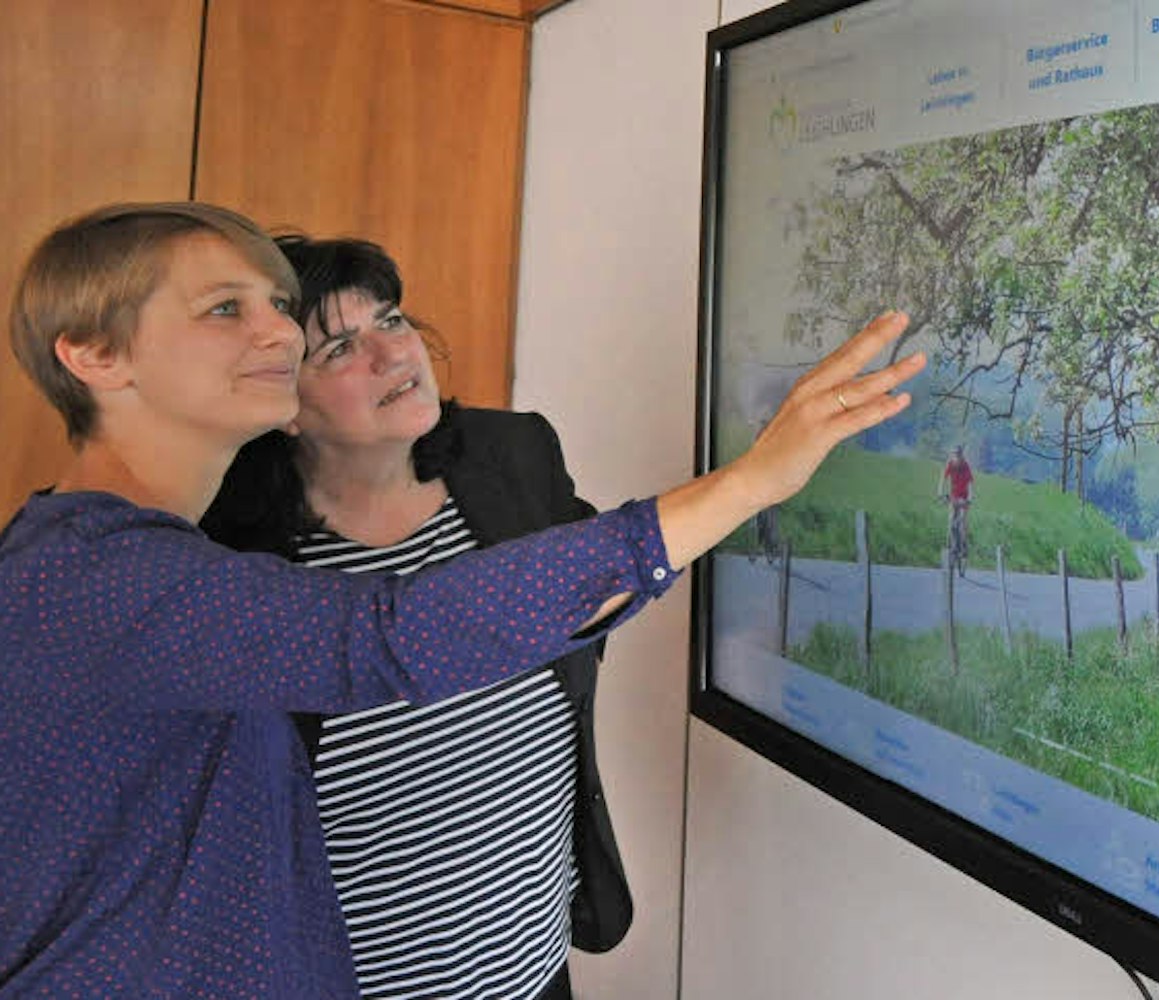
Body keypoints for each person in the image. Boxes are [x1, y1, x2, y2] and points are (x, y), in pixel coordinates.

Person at [0, 202, 923, 997]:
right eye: (225, 309)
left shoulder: (127, 558)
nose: (277, 334)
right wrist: (754, 480)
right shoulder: (96, 578)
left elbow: (557, 607)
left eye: (278, 308)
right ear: (94, 355)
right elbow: (391, 636)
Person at [197, 236, 616, 999]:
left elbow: (592, 599)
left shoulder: (514, 459)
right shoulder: (237, 561)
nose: (393, 354)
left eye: (390, 320)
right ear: (282, 401)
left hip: (534, 971)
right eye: (340, 348)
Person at [939, 444, 974, 573]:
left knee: (962, 522)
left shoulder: (965, 466)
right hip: (953, 497)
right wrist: (940, 493)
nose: (956, 456)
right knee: (951, 522)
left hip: (963, 498)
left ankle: (964, 549)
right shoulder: (950, 464)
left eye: (958, 454)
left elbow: (970, 483)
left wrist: (970, 498)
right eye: (954, 454)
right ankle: (950, 547)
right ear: (952, 455)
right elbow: (943, 479)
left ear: (961, 454)